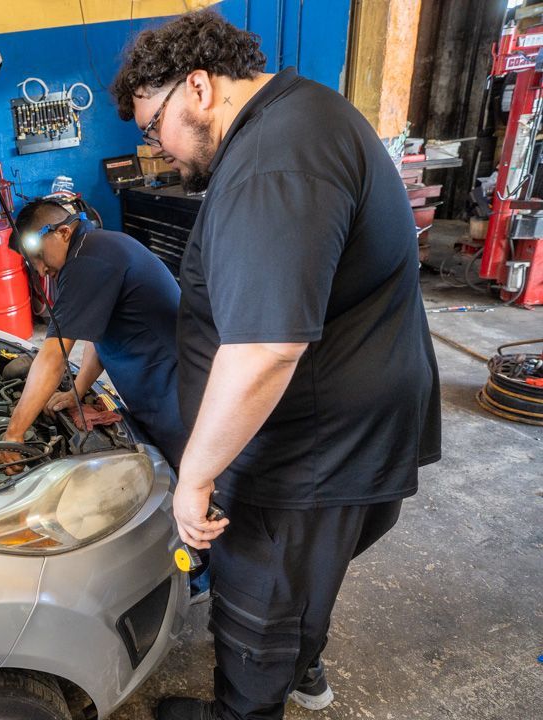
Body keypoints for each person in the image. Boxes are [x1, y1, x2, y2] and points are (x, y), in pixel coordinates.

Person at [111, 10, 441, 720]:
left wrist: (194, 478)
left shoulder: (275, 158)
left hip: (308, 448)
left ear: (197, 88)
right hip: (335, 422)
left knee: (257, 612)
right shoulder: (297, 119)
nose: (156, 150)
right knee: (292, 586)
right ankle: (305, 667)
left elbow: (266, 348)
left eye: (151, 127)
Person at [0, 199, 186, 472]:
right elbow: (98, 332)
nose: (40, 270)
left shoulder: (88, 259)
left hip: (179, 401)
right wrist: (78, 389)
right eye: (31, 262)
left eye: (38, 255)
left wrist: (14, 433)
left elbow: (53, 356)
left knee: (191, 486)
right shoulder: (94, 248)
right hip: (157, 392)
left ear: (62, 233)